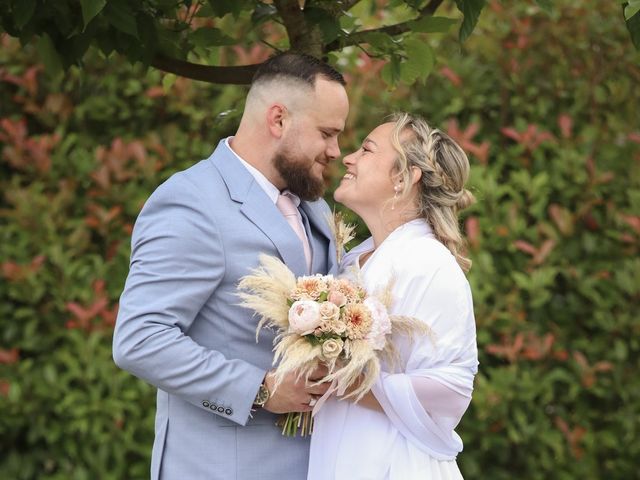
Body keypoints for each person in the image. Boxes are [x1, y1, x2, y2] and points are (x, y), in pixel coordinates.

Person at [112, 52, 349, 480]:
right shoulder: (192, 202)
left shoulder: (312, 204)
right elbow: (140, 339)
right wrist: (261, 389)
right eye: (327, 133)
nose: (336, 151)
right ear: (278, 120)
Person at [308, 113, 479, 479]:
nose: (348, 158)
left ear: (403, 178)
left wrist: (350, 381)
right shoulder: (355, 259)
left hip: (395, 463)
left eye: (366, 150)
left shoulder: (429, 262)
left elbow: (454, 387)